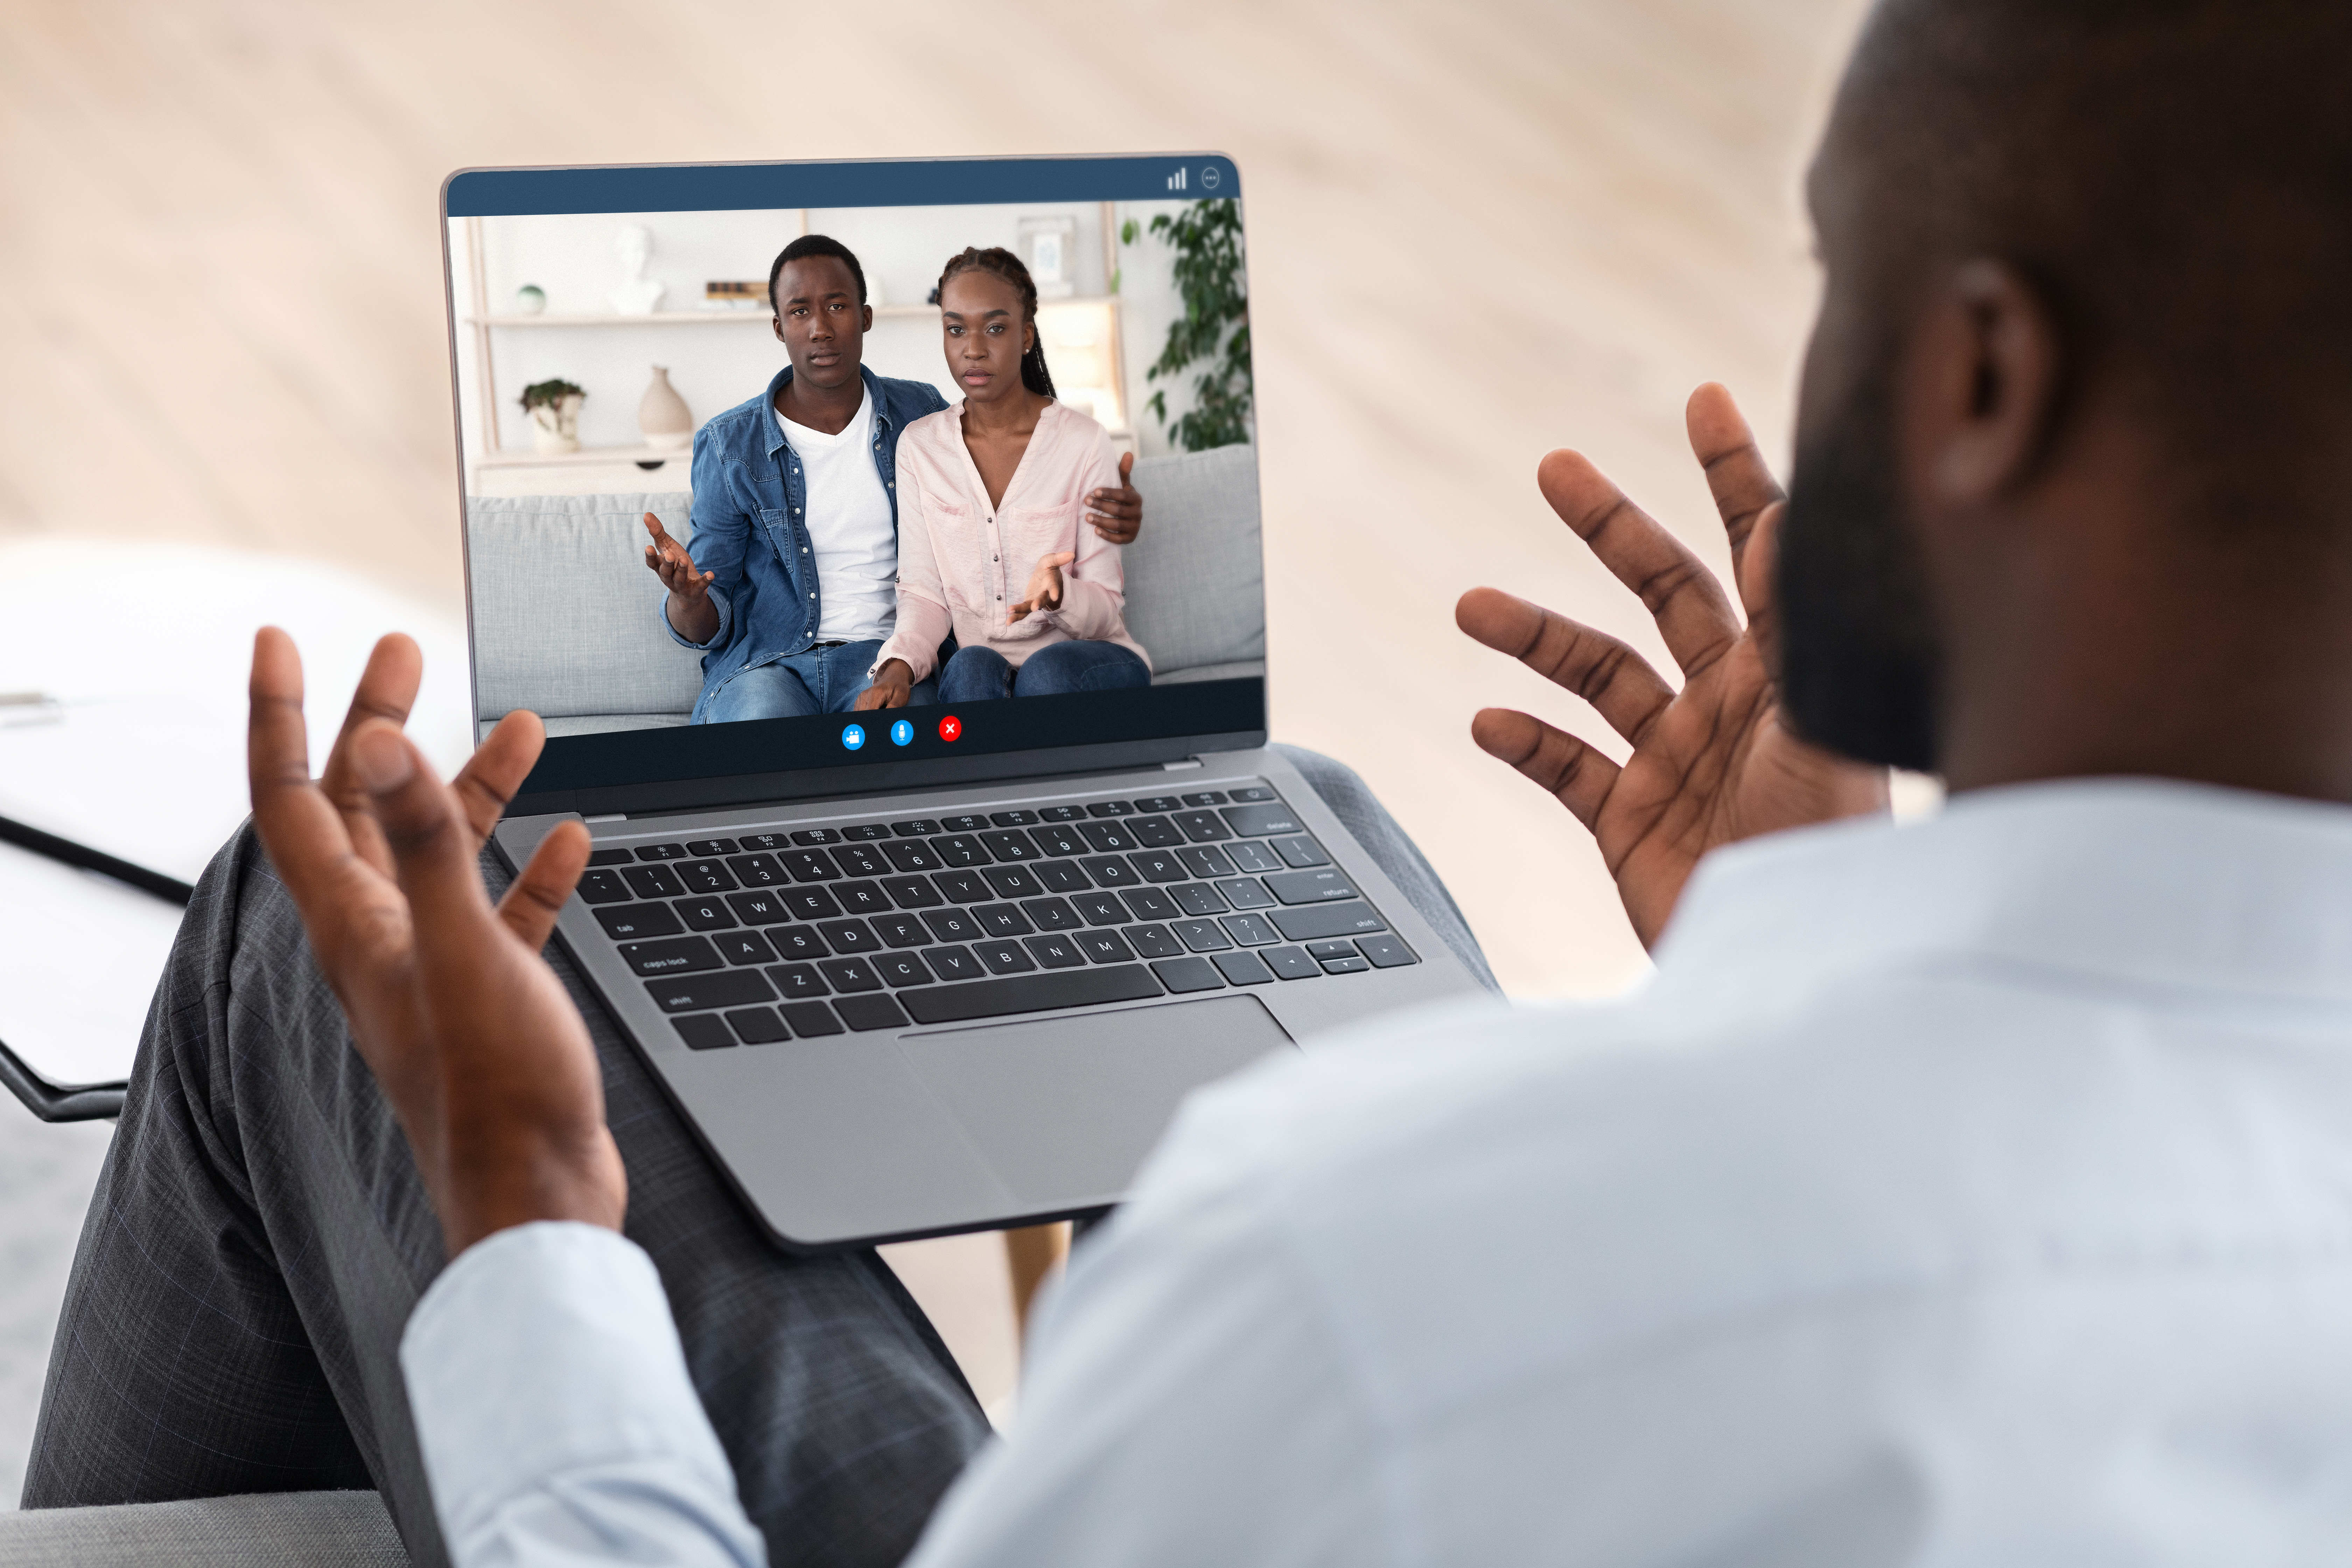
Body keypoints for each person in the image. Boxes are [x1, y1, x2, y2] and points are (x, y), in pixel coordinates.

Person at [35, 0, 2352, 1561]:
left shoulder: (1366, 1269)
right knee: (1313, 814)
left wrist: (540, 1212)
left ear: (1975, 374)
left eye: (1838, 267)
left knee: (311, 915)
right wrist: (1761, 1013)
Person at [639, 234, 1147, 722]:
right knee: (763, 725)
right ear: (779, 327)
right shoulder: (731, 445)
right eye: (800, 312)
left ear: (865, 317)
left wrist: (1116, 512)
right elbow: (708, 617)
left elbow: (1006, 456)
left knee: (928, 730)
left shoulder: (918, 415)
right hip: (769, 665)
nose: (820, 327)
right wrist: (688, 599)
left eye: (837, 307)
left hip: (881, 656)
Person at [857, 248, 1152, 712]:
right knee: (970, 666)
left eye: (995, 328)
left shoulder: (1084, 442)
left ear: (1027, 335)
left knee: (1046, 671)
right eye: (956, 330)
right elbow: (924, 595)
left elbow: (1105, 609)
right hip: (987, 664)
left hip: (1092, 660)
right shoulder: (919, 448)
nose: (973, 349)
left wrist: (1060, 595)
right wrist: (897, 666)